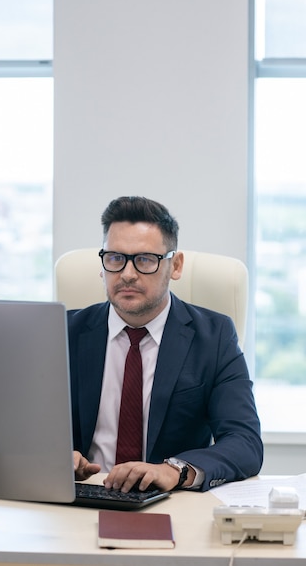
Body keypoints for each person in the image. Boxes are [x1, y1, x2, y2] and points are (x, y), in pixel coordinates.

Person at [68, 196, 263, 493]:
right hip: (79, 499)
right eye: (115, 258)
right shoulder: (65, 333)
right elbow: (22, 427)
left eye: (145, 259)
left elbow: (245, 442)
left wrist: (175, 470)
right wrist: (54, 457)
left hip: (169, 503)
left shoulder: (215, 336)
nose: (128, 274)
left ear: (176, 265)